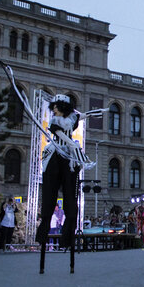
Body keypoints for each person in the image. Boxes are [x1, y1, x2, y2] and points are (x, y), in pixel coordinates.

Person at [34, 94, 94, 273]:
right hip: (55, 156)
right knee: (49, 196)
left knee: (71, 198)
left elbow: (83, 116)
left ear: (63, 107)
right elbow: (59, 133)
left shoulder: (71, 119)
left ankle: (67, 236)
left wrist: (94, 112)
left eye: (57, 107)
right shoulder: (55, 121)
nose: (53, 109)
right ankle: (43, 233)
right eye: (53, 107)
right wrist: (72, 144)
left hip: (69, 159)